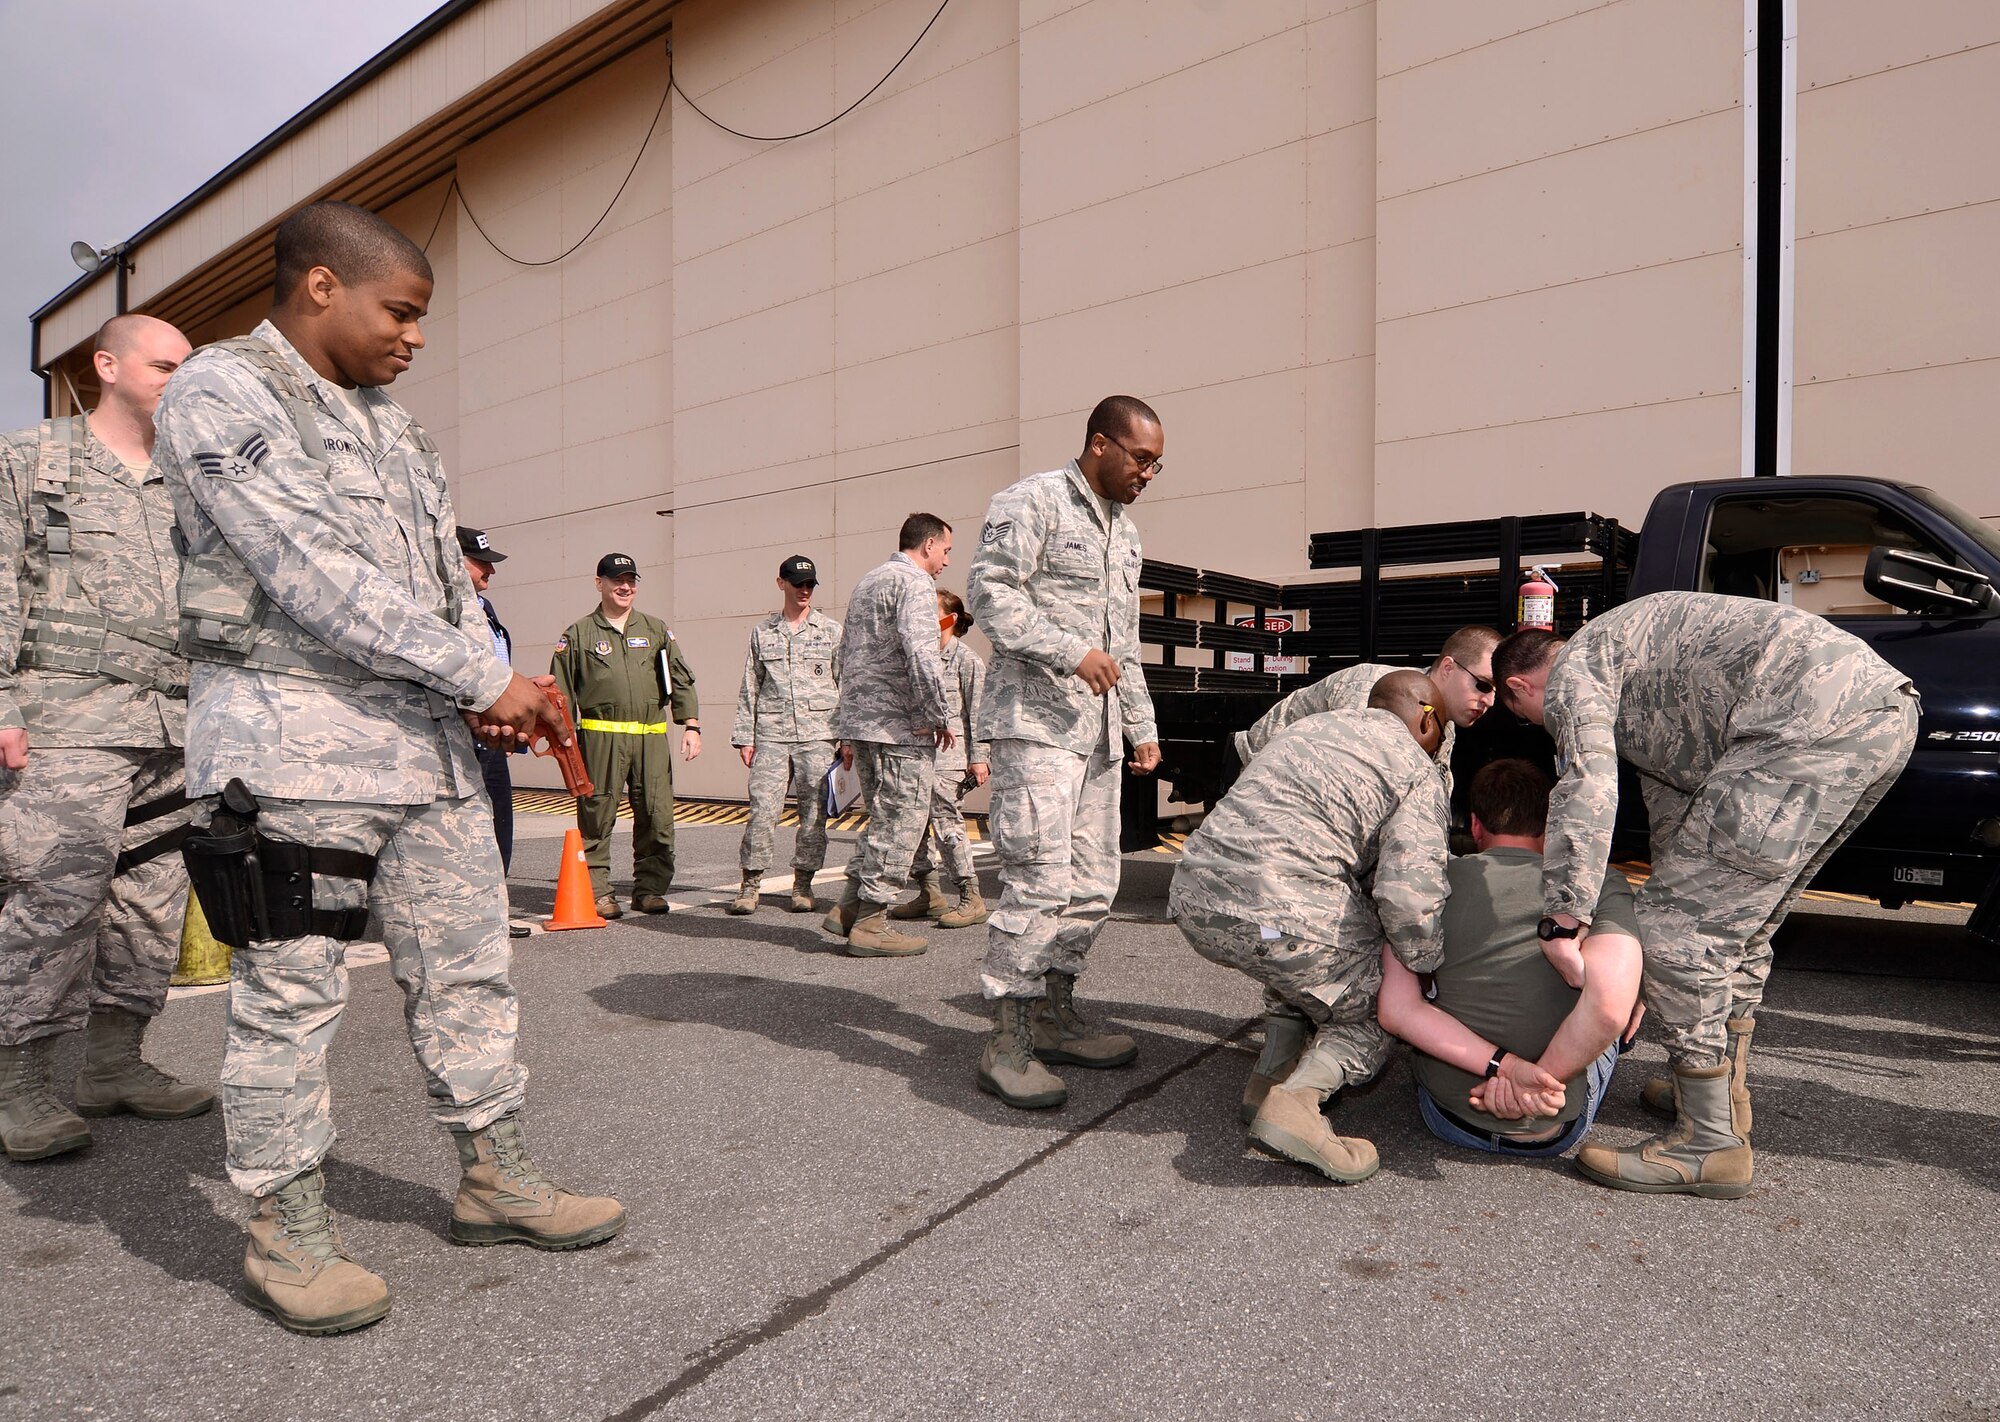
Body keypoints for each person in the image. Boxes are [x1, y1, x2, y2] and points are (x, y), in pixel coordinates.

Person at [154, 200, 622, 1335]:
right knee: (292, 993)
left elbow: (448, 583)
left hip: (425, 747)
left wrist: (487, 686)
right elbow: (308, 570)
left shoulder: (396, 426)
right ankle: (286, 1226)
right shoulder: (221, 392)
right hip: (293, 743)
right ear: (322, 285)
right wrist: (478, 677)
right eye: (400, 312)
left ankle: (494, 1176)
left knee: (468, 971)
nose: (415, 337)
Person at [1490, 591, 1919, 1198]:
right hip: (1876, 712)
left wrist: (1563, 919)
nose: (1545, 726)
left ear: (1521, 688)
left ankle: (1709, 1143)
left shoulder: (1576, 669)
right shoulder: (1637, 662)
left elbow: (1586, 787)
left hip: (1803, 725)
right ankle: (1724, 1092)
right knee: (1735, 926)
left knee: (1673, 934)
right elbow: (1677, 817)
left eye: (1529, 719)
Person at [0, 314, 212, 1164]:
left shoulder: (193, 480)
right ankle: (21, 1087)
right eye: (167, 364)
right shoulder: (34, 460)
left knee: (151, 903)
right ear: (106, 365)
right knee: (54, 897)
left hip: (176, 722)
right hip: (67, 721)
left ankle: (114, 1064)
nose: (180, 379)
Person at [1169, 671, 1449, 1182]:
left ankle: (1272, 1073)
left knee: (1301, 951)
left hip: (1200, 905)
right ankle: (1297, 1103)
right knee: (1381, 1006)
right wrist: (1425, 969)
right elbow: (1410, 898)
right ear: (1428, 720)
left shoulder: (1305, 730)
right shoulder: (1415, 769)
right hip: (1281, 920)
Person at [965, 397, 1163, 1111]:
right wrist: (1070, 651)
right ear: (1102, 444)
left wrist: (1141, 724)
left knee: (1092, 884)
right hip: (1037, 727)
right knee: (1039, 883)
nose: (1150, 472)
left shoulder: (1126, 532)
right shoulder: (1032, 502)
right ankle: (1007, 1040)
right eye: (1142, 458)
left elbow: (1126, 643)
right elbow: (988, 595)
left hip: (1099, 735)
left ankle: (1054, 1013)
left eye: (1156, 463)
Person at [1376, 758, 1644, 1156]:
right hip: (1553, 1126)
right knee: (1620, 998)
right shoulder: (1599, 886)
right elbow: (1607, 1011)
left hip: (1451, 1115)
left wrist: (1512, 1073)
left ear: (1475, 824)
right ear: (1550, 823)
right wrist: (1534, 1084)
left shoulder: (1428, 883)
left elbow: (1396, 1011)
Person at [821, 514, 956, 957]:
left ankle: (848, 907)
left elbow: (844, 655)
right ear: (930, 544)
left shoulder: (869, 581)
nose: (946, 562)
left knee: (882, 818)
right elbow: (922, 652)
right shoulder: (914, 582)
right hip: (902, 725)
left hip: (864, 723)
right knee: (903, 821)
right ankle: (873, 923)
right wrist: (938, 714)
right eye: (946, 551)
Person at [550, 553, 700, 919]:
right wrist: (564, 744)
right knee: (597, 814)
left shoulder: (655, 630)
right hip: (601, 740)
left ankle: (649, 889)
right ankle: (599, 892)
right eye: (617, 579)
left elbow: (680, 678)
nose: (625, 586)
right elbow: (560, 695)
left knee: (657, 814)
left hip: (650, 738)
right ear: (598, 582)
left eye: (631, 579)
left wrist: (691, 725)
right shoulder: (579, 634)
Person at [727, 554, 841, 917]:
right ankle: (750, 883)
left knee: (813, 815)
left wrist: (848, 738)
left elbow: (847, 685)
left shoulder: (831, 631)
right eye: (797, 583)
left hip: (818, 736)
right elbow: (750, 686)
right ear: (781, 583)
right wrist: (745, 736)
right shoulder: (763, 632)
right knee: (762, 810)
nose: (804, 590)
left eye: (809, 584)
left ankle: (803, 883)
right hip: (772, 735)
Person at [1230, 625, 1500, 773]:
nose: (1489, 701)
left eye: (1497, 693)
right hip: (1260, 775)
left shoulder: (1444, 726)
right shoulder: (1373, 691)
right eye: (1483, 685)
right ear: (1448, 668)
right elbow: (1345, 783)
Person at [887, 590, 989, 929]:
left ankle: (969, 895)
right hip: (915, 754)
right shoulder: (920, 657)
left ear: (951, 618)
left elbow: (979, 716)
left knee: (947, 824)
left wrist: (980, 759)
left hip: (950, 758)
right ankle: (929, 892)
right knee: (914, 823)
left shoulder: (966, 660)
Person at [458, 526, 528, 938]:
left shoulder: (485, 608)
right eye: (482, 562)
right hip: (462, 738)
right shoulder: (441, 613)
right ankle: (465, 919)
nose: (491, 570)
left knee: (499, 824)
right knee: (463, 831)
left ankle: (494, 914)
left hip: (492, 739)